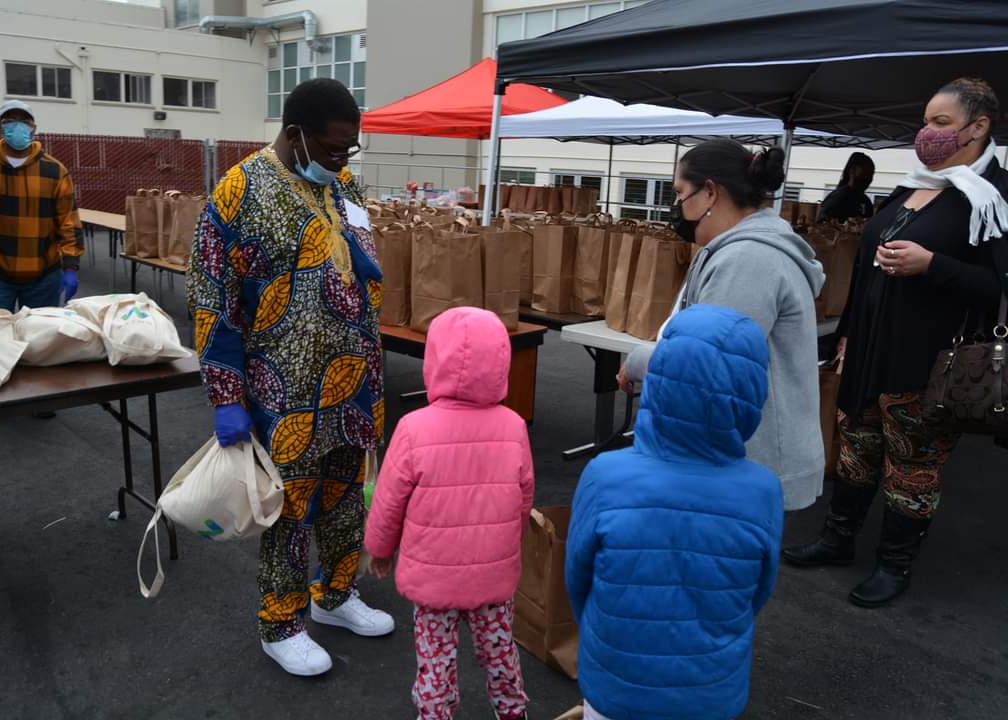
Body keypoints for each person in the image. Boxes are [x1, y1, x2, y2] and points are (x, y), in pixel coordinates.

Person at [187, 78, 393, 677]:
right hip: (287, 391)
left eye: (350, 150)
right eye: (334, 149)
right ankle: (281, 621)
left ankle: (336, 594)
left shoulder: (343, 184)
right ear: (295, 133)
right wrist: (226, 396)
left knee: (345, 498)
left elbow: (358, 256)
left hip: (352, 380)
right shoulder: (238, 192)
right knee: (292, 508)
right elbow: (212, 298)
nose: (343, 160)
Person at [783, 78, 1008, 607]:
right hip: (867, 351)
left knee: (912, 465)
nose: (928, 132)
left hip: (929, 361)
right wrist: (846, 335)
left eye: (942, 122)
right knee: (857, 451)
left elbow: (999, 286)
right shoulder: (912, 184)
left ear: (978, 128)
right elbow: (865, 271)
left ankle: (894, 564)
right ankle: (837, 540)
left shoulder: (993, 199)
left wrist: (934, 266)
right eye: (926, 120)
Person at [568, 304, 783, 720]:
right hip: (710, 693)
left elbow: (579, 579)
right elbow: (757, 590)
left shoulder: (605, 475)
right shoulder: (763, 491)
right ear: (753, 390)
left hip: (615, 684)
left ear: (659, 375)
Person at [620, 139, 826, 511]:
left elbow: (705, 368)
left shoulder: (747, 260)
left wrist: (637, 361)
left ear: (710, 192)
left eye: (681, 194)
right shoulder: (737, 250)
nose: (677, 208)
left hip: (749, 461)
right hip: (746, 457)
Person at [364, 306, 534, 720]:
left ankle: (436, 713)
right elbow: (524, 495)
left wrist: (381, 549)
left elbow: (389, 501)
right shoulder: (513, 426)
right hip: (493, 575)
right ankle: (512, 710)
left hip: (433, 577)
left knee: (436, 660)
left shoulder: (413, 428)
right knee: (498, 650)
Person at [0, 99, 83, 315]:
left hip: (44, 276)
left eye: (24, 121)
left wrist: (70, 265)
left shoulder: (55, 171)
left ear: (33, 129)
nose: (18, 125)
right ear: (0, 128)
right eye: (10, 120)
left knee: (39, 344)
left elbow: (68, 222)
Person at [818, 152, 876, 222]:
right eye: (865, 173)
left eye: (871, 174)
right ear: (852, 171)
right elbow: (822, 224)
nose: (868, 178)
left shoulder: (866, 201)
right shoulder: (837, 198)